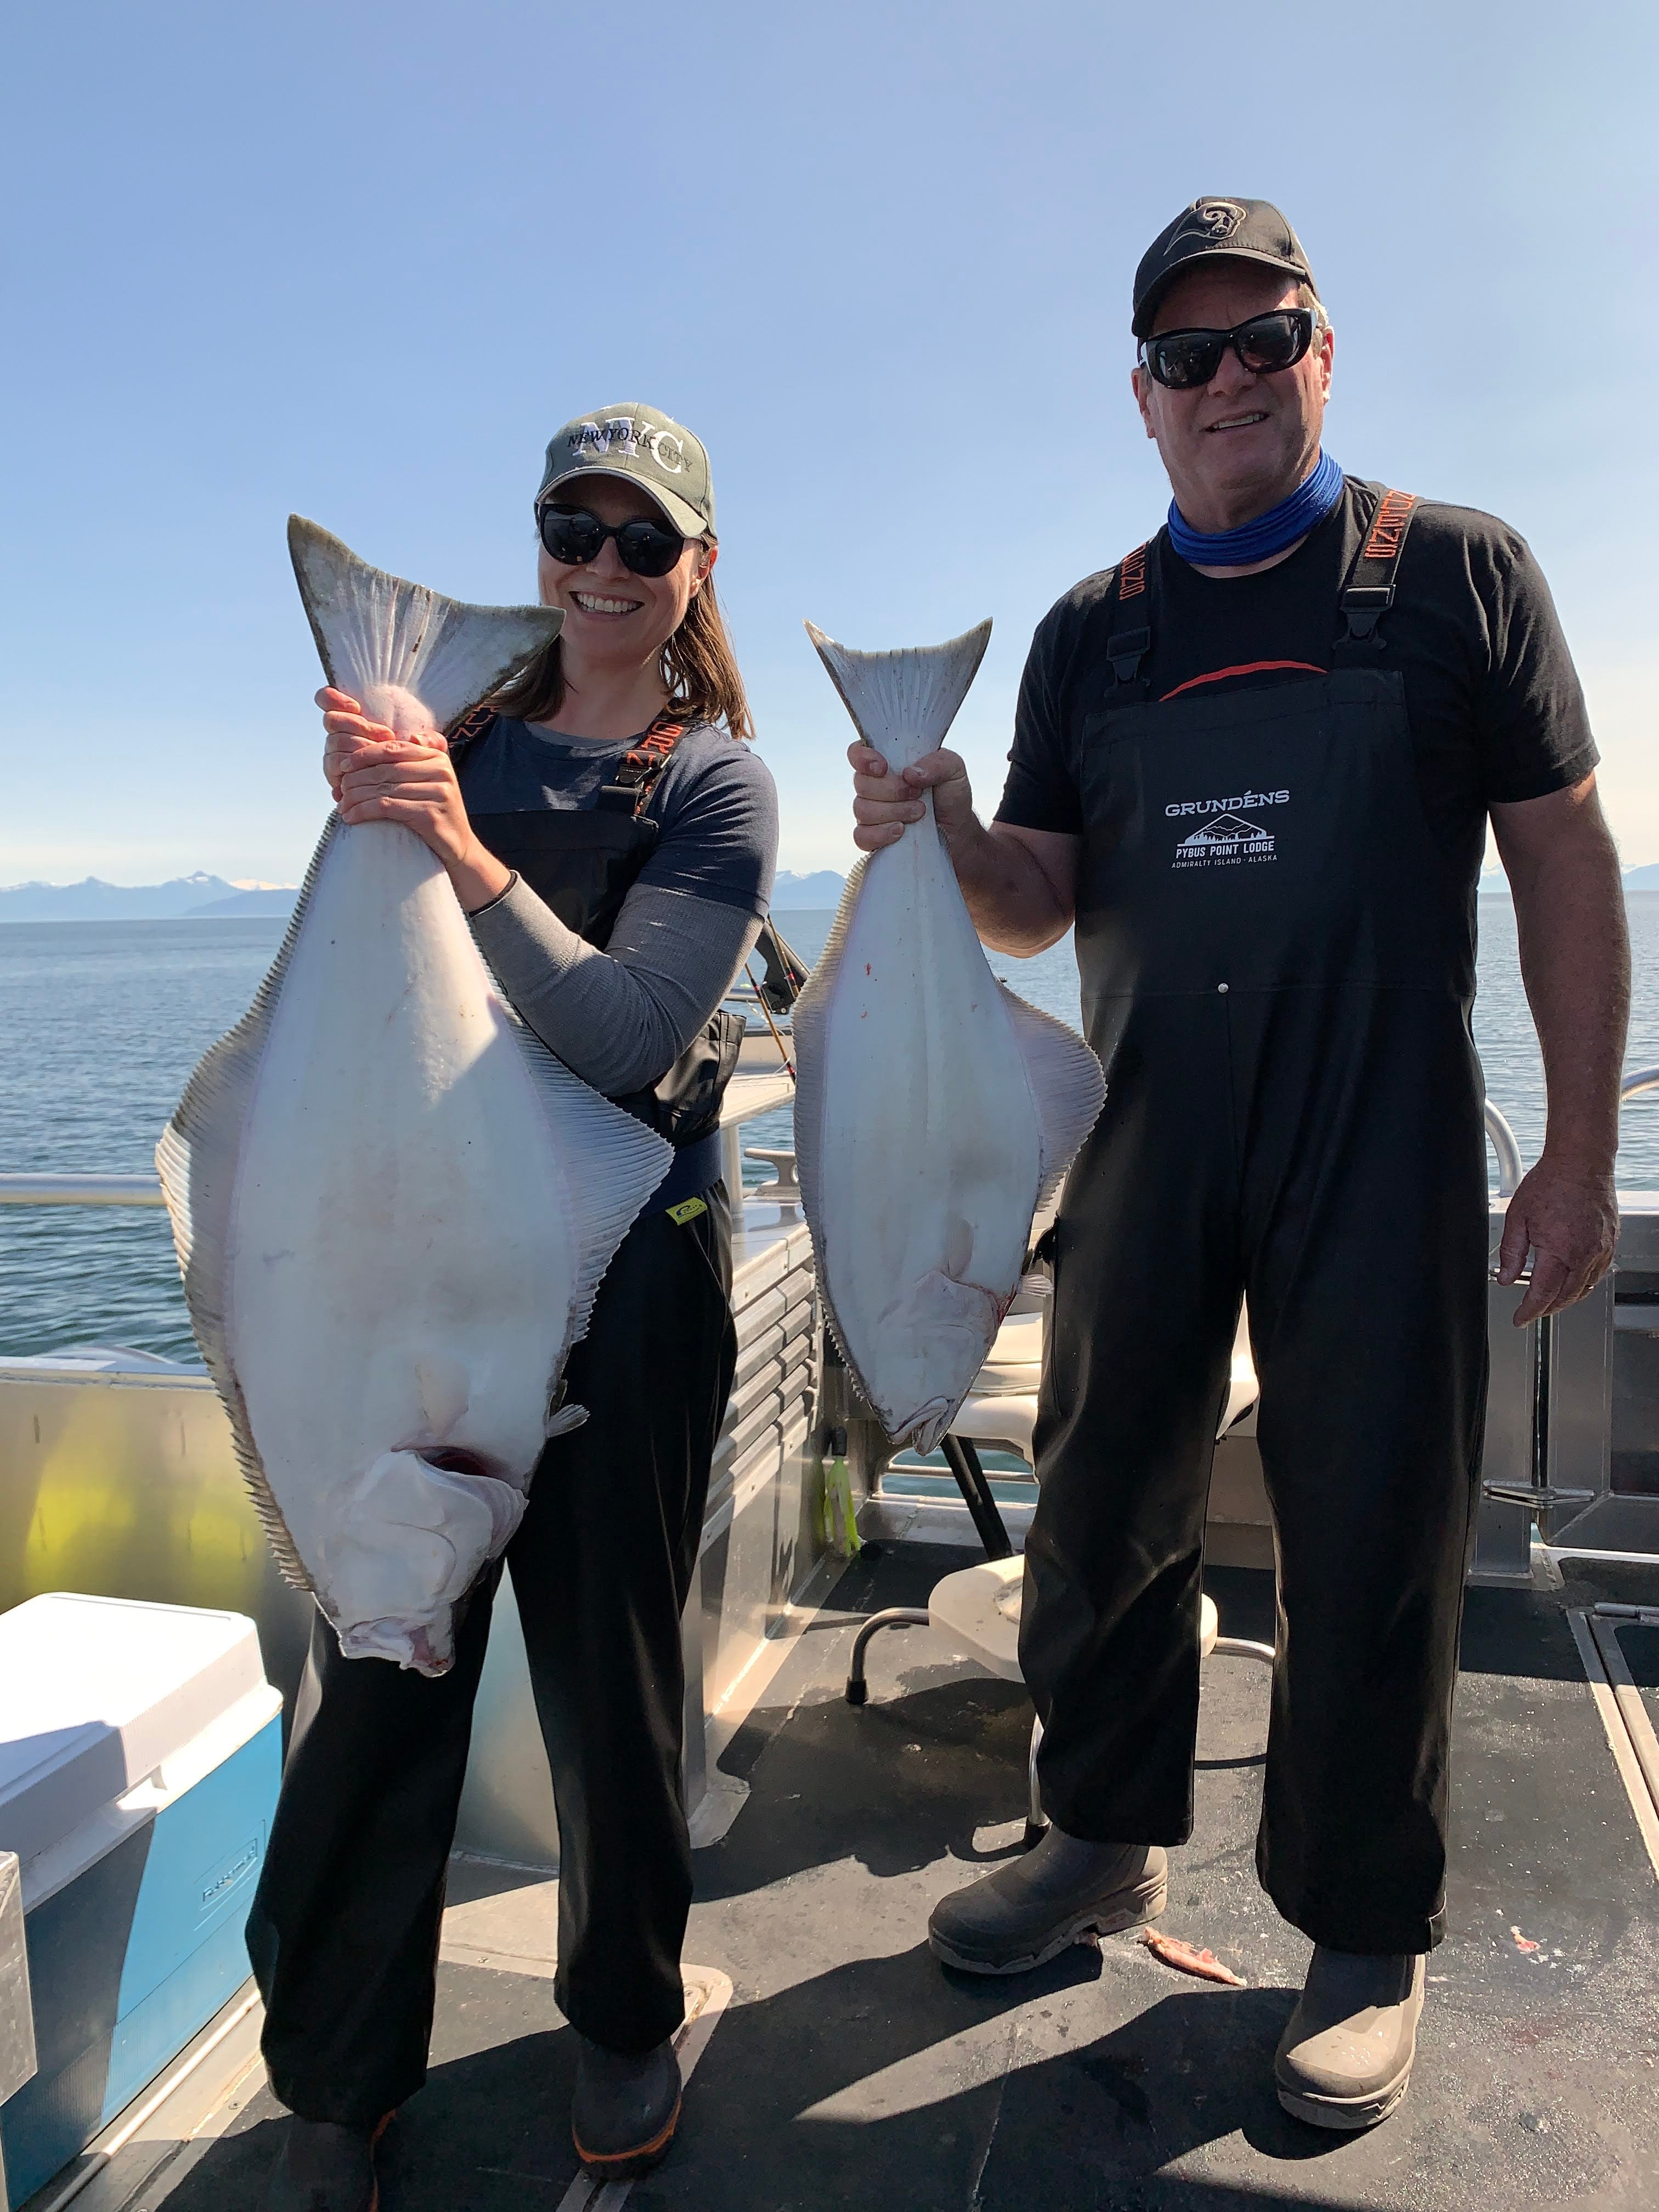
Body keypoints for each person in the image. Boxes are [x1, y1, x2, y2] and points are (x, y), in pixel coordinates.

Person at [850, 201, 1629, 2131]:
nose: (1225, 384)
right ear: (1140, 398)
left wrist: (1586, 1153)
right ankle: (1098, 1836)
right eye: (1184, 358)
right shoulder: (1091, 633)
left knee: (1373, 1529)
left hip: (1380, 1131)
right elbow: (1037, 909)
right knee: (1101, 1490)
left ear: (1322, 355)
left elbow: (1569, 866)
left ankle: (1364, 1937)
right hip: (1143, 1131)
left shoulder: (1457, 576)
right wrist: (945, 829)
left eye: (1259, 340)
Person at [248, 404, 777, 2209]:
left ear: (696, 568)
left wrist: (458, 850)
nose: (605, 568)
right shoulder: (452, 729)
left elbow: (636, 1039)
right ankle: (337, 2070)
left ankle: (624, 2009)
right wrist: (383, 795)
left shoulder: (716, 782)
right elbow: (353, 1025)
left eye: (647, 541)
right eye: (577, 528)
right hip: (419, 1262)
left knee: (607, 1673)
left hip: (630, 1283)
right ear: (541, 539)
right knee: (385, 1650)